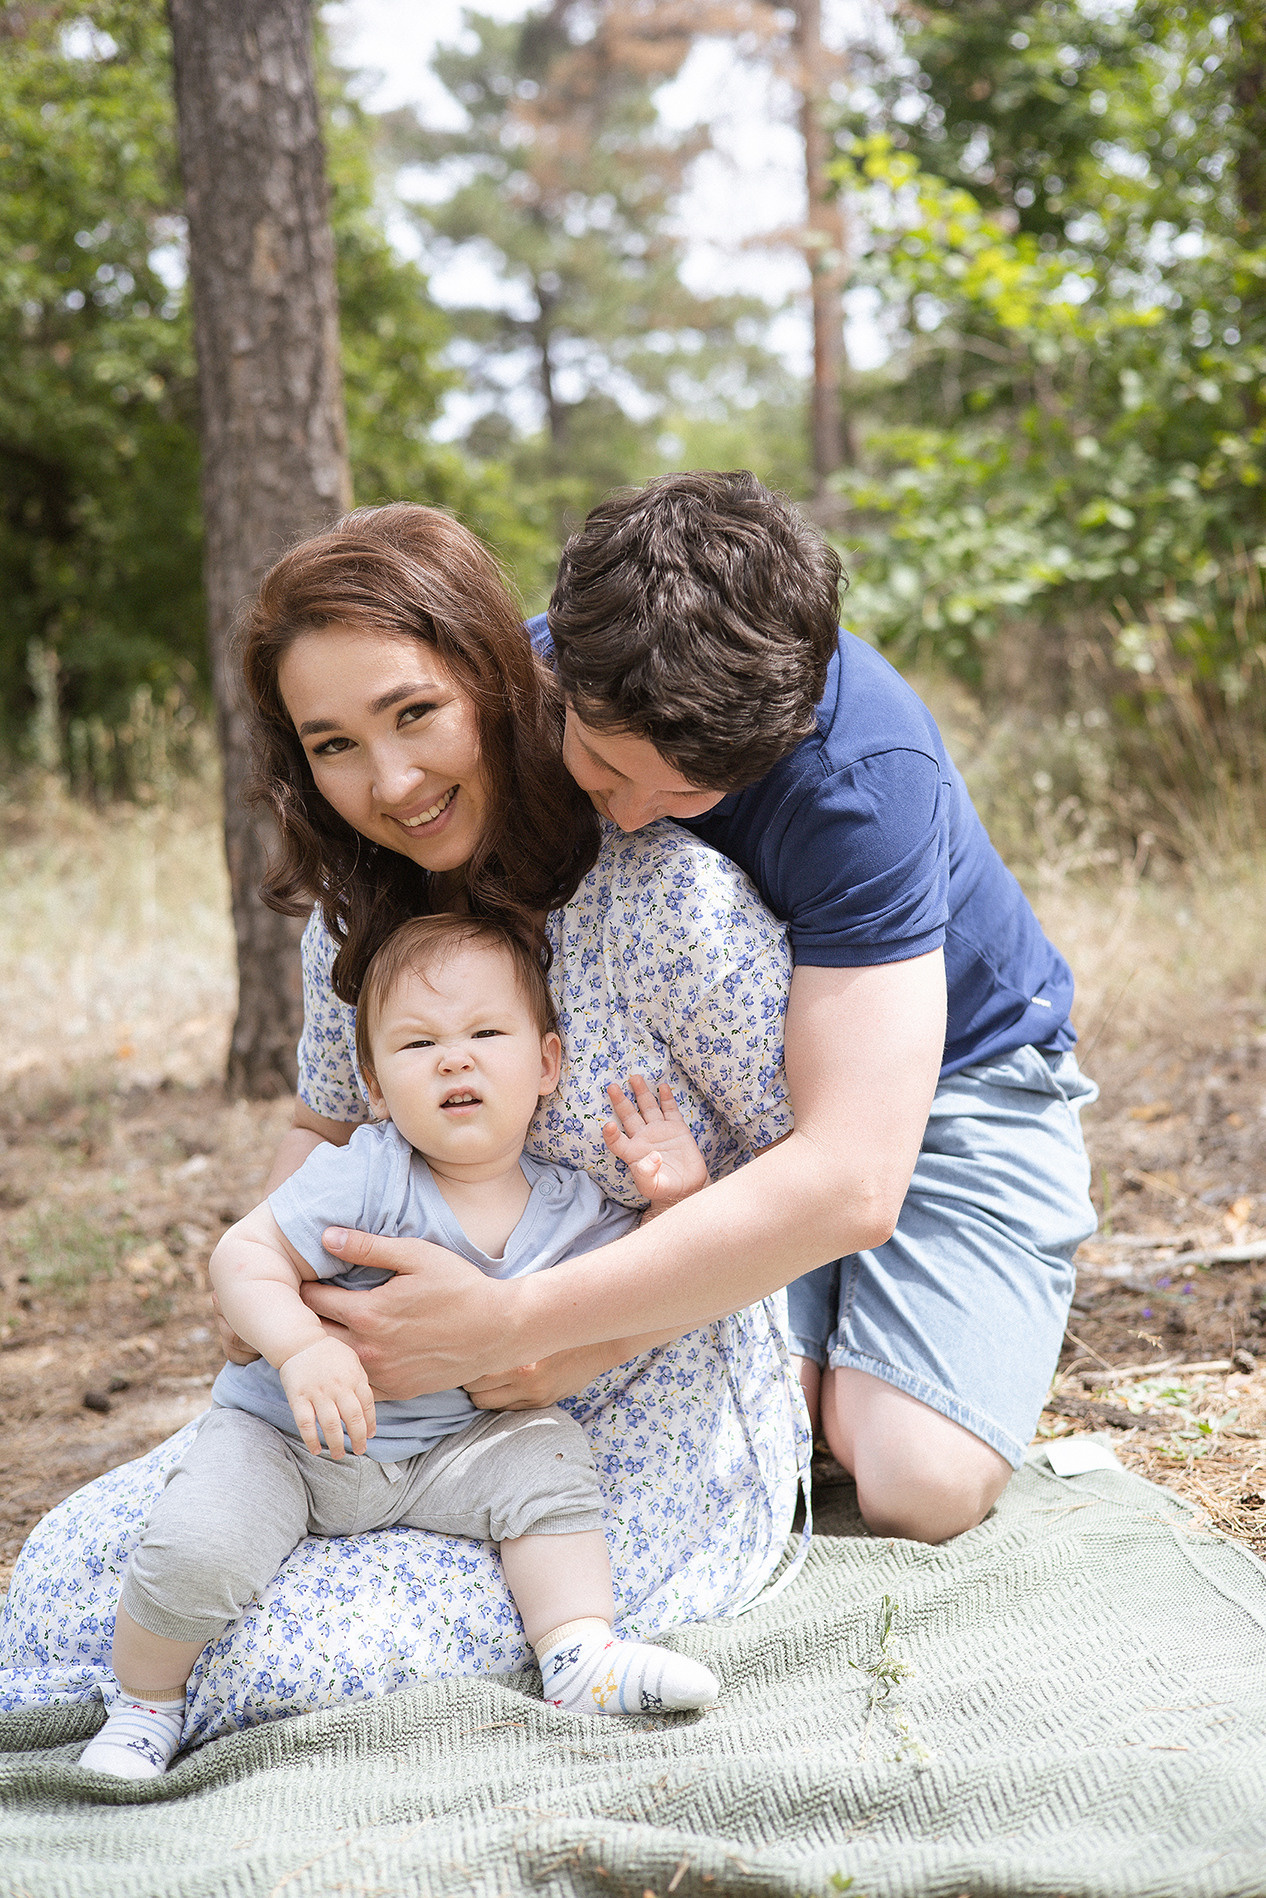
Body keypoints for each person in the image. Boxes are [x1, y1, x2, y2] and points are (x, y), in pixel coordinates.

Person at [0, 502, 805, 1751]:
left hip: (611, 1416)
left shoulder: (669, 898)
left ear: (494, 678)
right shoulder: (358, 919)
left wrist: (560, 1341)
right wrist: (289, 1313)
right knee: (72, 1572)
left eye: (414, 713)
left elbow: (810, 1183)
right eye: (332, 742)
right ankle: (113, 1692)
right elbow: (313, 1151)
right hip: (365, 1415)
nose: (389, 782)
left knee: (290, 1644)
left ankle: (138, 1708)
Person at [277, 473, 1097, 1548]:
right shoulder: (516, 683)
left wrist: (527, 1322)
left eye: (683, 796)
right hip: (717, 1109)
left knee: (915, 1479)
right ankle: (793, 1330)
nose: (625, 813)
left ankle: (890, 1330)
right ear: (558, 670)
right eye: (608, 768)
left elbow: (853, 1173)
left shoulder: (861, 777)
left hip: (948, 1078)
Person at [79, 914, 721, 1778]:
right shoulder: (369, 1172)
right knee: (200, 1543)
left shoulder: (571, 1206)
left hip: (452, 1451)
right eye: (419, 1044)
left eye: (486, 1033)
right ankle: (143, 1707)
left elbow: (649, 1281)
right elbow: (243, 1254)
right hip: (291, 1443)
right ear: (376, 1087)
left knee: (549, 1458)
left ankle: (578, 1655)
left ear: (547, 1064)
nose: (455, 1058)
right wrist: (302, 1347)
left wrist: (675, 1200)